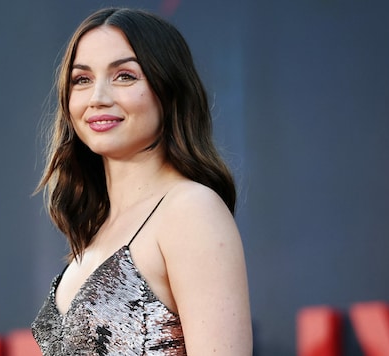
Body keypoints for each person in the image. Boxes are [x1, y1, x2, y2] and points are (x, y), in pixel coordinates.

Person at [31, 7, 252, 355]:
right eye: (82, 80)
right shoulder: (95, 230)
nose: (98, 98)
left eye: (125, 76)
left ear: (168, 90)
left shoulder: (191, 209)